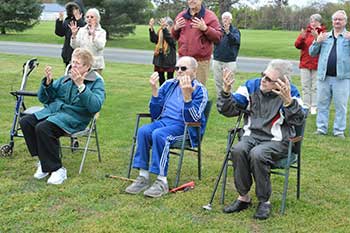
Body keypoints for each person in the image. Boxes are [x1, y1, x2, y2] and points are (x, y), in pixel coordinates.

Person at [217, 59, 306, 220]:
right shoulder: (251, 86)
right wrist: (226, 92)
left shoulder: (290, 92)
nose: (263, 80)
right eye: (263, 75)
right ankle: (243, 197)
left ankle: (264, 201)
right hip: (251, 136)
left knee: (258, 154)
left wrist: (288, 102)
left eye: (268, 79)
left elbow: (298, 121)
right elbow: (228, 110)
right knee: (238, 150)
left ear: (281, 82)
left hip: (278, 141)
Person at [19, 48, 105, 185]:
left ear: (87, 67)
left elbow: (95, 106)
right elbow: (45, 99)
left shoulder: (96, 82)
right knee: (26, 122)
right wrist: (48, 83)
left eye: (77, 63)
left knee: (43, 128)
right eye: (72, 62)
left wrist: (81, 85)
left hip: (75, 119)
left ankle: (58, 169)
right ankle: (44, 161)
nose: (73, 65)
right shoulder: (66, 79)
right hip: (55, 113)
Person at [125, 56, 208, 198]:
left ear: (194, 71)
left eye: (183, 68)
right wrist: (155, 91)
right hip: (164, 122)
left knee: (159, 134)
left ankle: (161, 181)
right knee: (143, 131)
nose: (179, 71)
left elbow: (194, 119)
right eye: (177, 68)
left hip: (185, 128)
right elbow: (155, 114)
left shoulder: (200, 90)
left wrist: (187, 98)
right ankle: (143, 177)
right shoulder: (169, 84)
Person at [309, 10, 350, 139]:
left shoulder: (348, 37)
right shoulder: (325, 36)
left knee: (341, 105)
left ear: (345, 22)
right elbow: (312, 52)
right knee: (322, 104)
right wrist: (317, 41)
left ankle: (339, 131)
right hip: (324, 77)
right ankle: (321, 128)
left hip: (342, 78)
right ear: (332, 21)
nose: (337, 21)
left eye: (340, 19)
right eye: (335, 19)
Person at [171, 0, 221, 85]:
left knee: (197, 90)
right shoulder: (181, 16)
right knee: (180, 89)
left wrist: (205, 28)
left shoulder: (210, 16)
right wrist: (175, 28)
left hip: (200, 62)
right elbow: (173, 37)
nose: (192, 1)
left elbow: (218, 37)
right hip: (183, 60)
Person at [294, 14, 326, 115]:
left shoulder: (324, 33)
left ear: (319, 22)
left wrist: (317, 38)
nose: (313, 23)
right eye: (311, 21)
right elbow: (297, 45)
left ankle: (314, 106)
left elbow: (324, 48)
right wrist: (301, 38)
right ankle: (306, 105)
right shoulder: (306, 33)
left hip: (317, 63)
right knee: (305, 86)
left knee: (315, 86)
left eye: (315, 21)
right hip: (305, 62)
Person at [70, 8, 106, 74]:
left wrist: (93, 36)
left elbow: (100, 46)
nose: (89, 19)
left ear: (97, 19)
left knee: (94, 83)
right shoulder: (81, 30)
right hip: (82, 64)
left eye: (92, 17)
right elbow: (74, 46)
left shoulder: (101, 32)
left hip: (95, 65)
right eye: (87, 17)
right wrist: (74, 35)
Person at [212, 11, 240, 97]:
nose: (225, 20)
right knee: (218, 81)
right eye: (224, 18)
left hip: (229, 61)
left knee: (229, 81)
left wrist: (228, 33)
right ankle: (220, 98)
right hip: (217, 59)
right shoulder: (218, 30)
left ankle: (230, 99)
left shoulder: (235, 31)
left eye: (227, 18)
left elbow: (235, 41)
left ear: (231, 20)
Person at [55, 0, 86, 66]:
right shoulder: (68, 20)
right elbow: (60, 33)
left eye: (76, 8)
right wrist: (59, 21)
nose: (74, 10)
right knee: (69, 74)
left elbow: (85, 31)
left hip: (80, 52)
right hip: (68, 52)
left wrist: (79, 20)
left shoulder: (84, 20)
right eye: (73, 8)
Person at [149, 17, 176, 86]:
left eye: (166, 25)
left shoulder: (173, 34)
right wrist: (151, 28)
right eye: (163, 25)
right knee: (161, 78)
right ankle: (162, 91)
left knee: (170, 78)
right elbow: (154, 39)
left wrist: (164, 29)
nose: (163, 27)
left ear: (171, 26)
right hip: (160, 59)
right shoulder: (160, 32)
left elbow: (170, 40)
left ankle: (170, 92)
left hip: (169, 60)